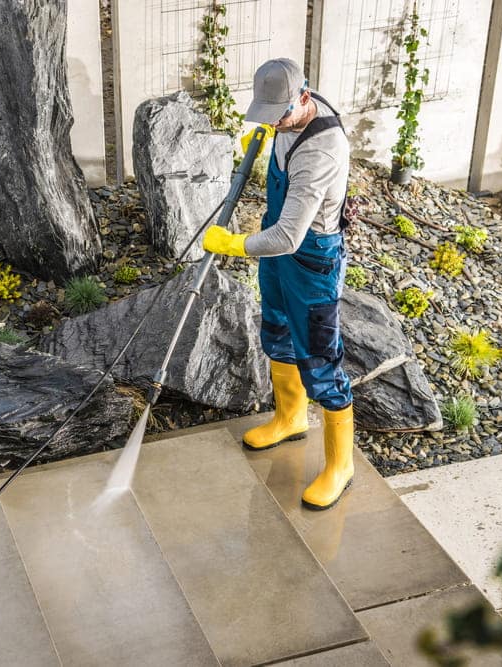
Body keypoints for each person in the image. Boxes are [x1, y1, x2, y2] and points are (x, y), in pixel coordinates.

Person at [201, 57, 354, 511]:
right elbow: (281, 229)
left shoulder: (320, 152)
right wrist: (269, 133)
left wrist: (233, 244)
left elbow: (288, 237)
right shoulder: (291, 109)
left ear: (303, 98)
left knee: (320, 359)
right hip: (279, 241)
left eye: (279, 116)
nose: (274, 123)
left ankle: (340, 466)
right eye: (266, 115)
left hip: (310, 257)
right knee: (277, 330)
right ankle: (290, 418)